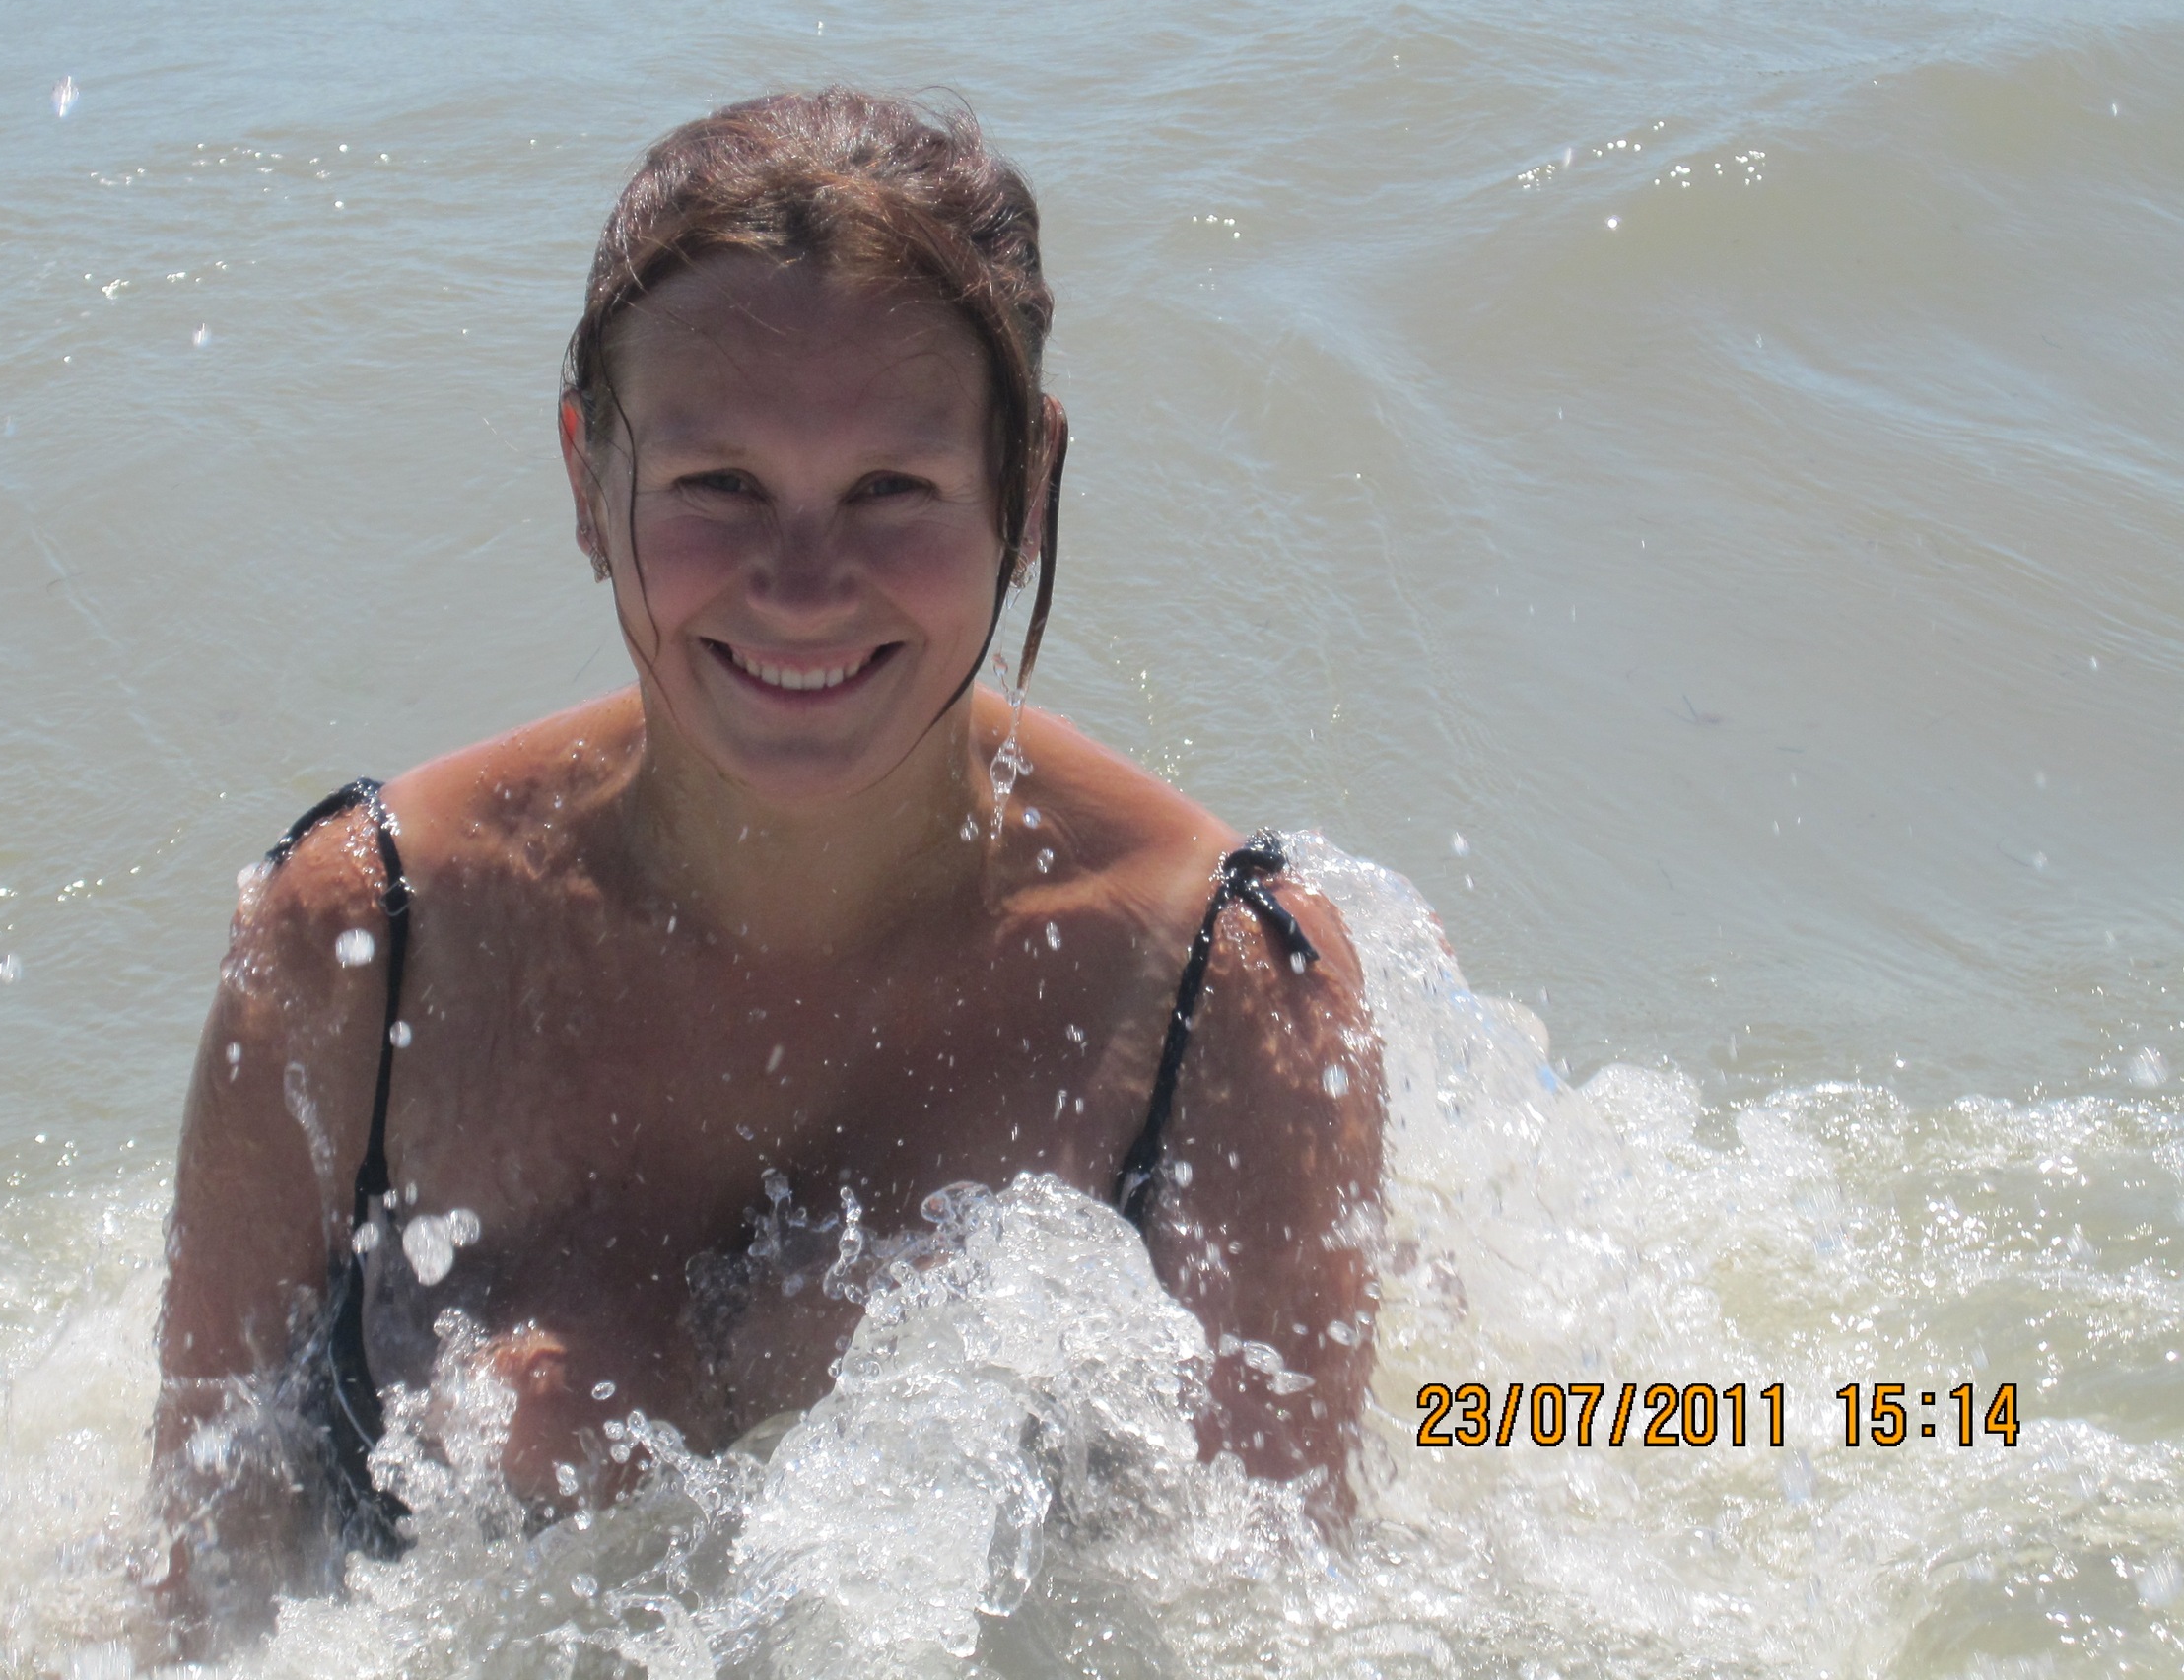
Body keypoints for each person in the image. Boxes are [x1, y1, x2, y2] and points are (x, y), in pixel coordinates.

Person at [150, 88, 1383, 1641]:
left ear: (1028, 487)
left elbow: (1276, 1629)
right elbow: (195, 1592)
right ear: (588, 477)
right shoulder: (360, 940)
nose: (803, 586)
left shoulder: (1225, 993)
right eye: (719, 486)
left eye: (893, 490)